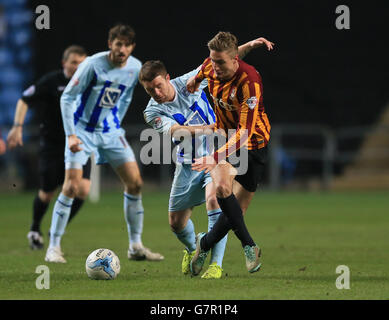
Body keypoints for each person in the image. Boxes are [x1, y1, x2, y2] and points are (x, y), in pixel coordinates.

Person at [140, 37, 273, 278]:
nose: (156, 93)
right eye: (150, 90)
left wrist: (250, 45)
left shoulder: (188, 83)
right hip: (188, 163)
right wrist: (208, 128)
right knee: (176, 222)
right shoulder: (152, 111)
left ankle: (217, 265)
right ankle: (195, 248)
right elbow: (175, 132)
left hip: (221, 149)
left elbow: (226, 59)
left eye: (158, 86)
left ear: (167, 78)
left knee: (217, 199)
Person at [44, 24, 163, 263]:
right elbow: (68, 97)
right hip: (82, 131)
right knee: (72, 187)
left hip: (109, 133)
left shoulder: (135, 68)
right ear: (110, 44)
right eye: (118, 44)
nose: (122, 49)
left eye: (126, 45)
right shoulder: (92, 65)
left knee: (136, 183)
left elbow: (126, 96)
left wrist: (115, 122)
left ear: (132, 47)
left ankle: (135, 246)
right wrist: (71, 135)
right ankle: (53, 247)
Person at [187, 31, 273, 274]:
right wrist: (194, 80)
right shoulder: (210, 66)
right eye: (212, 61)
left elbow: (244, 134)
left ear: (235, 61)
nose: (215, 67)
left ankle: (203, 244)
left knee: (237, 212)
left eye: (221, 62)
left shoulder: (250, 81)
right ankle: (250, 246)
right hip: (224, 139)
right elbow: (210, 66)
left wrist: (212, 158)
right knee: (223, 189)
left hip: (253, 143)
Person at [6, 45, 91, 250]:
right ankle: (35, 228)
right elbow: (24, 100)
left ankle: (55, 230)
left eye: (82, 63)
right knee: (47, 192)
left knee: (82, 190)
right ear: (64, 63)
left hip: (79, 144)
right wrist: (17, 127)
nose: (78, 66)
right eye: (74, 62)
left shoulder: (89, 82)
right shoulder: (51, 81)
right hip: (53, 145)